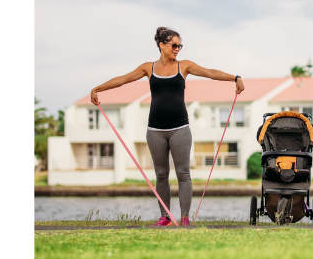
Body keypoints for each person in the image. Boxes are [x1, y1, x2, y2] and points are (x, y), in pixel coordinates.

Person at [90, 27, 245, 226]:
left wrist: (235, 78)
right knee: (161, 174)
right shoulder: (148, 68)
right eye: (174, 45)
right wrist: (97, 89)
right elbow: (122, 79)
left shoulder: (184, 66)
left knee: (183, 173)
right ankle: (164, 217)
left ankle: (185, 218)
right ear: (161, 45)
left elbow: (210, 73)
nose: (177, 49)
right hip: (155, 130)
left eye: (179, 45)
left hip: (180, 128)